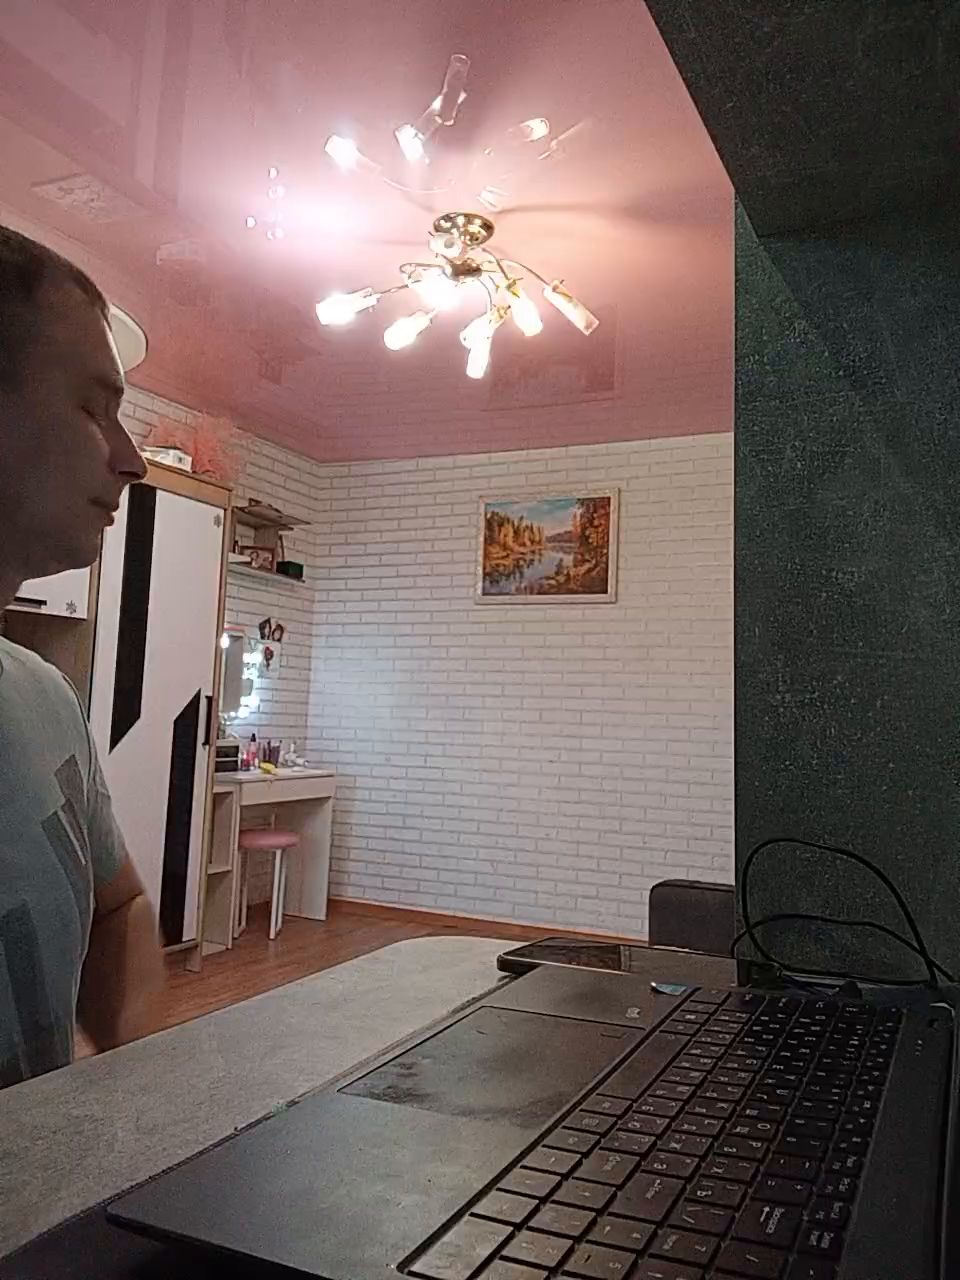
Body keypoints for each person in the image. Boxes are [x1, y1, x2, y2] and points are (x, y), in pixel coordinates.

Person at [0, 225, 163, 1087]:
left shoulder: (45, 695)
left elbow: (120, 907)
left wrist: (120, 1102)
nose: (132, 461)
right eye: (94, 410)